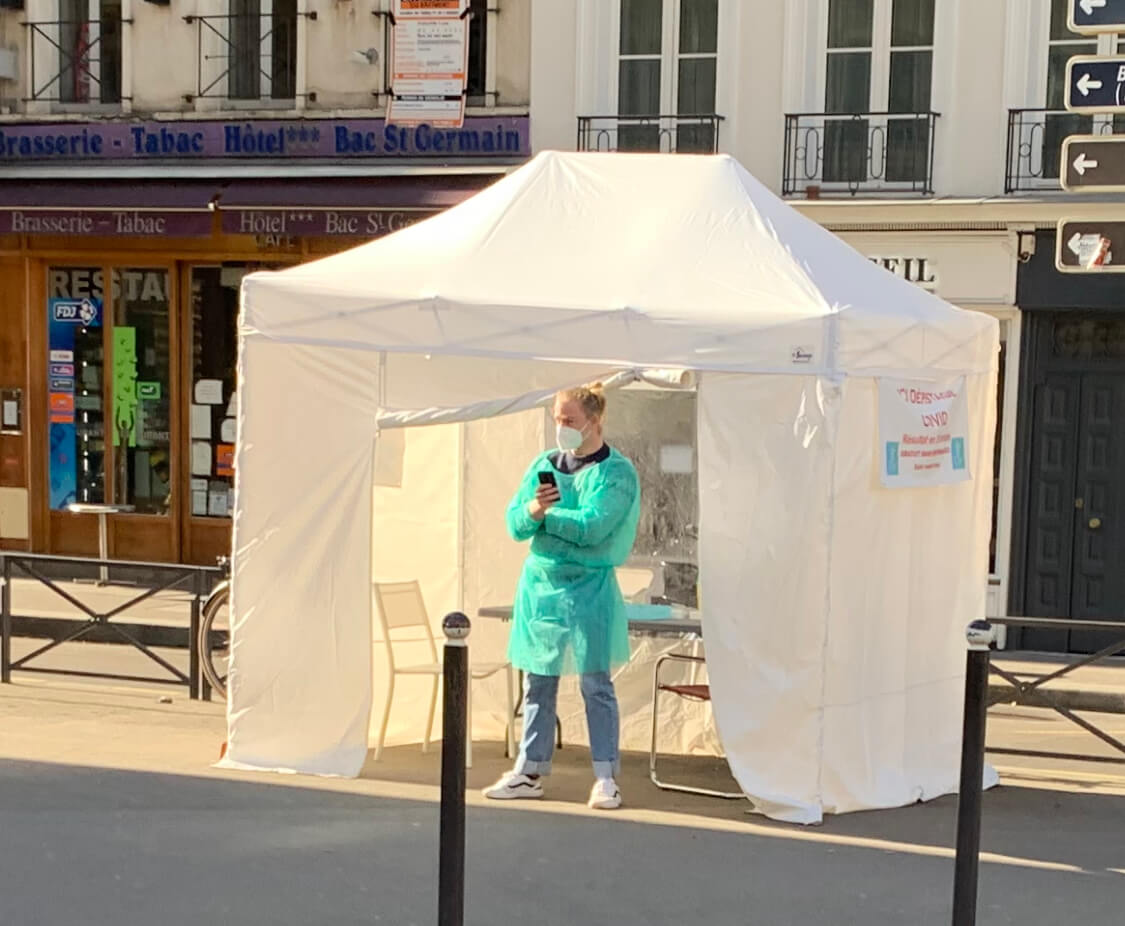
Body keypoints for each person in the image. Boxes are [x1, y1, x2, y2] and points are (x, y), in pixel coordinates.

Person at [484, 383, 640, 810]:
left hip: (590, 589)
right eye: (557, 419)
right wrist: (534, 510)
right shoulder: (544, 465)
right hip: (542, 588)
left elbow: (593, 528)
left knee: (595, 684)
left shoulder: (616, 473)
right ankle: (529, 769)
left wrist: (545, 515)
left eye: (569, 420)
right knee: (538, 680)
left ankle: (606, 776)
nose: (562, 428)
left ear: (594, 421)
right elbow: (516, 523)